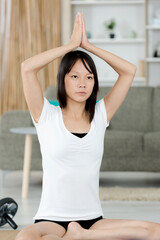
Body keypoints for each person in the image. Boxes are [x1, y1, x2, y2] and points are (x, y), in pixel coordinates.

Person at [16, 12, 160, 240]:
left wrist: (89, 47)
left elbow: (129, 71)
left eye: (89, 77)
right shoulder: (45, 115)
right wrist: (70, 46)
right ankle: (76, 236)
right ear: (62, 79)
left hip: (92, 221)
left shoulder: (101, 114)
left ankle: (81, 235)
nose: (83, 83)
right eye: (74, 76)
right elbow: (27, 68)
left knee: (156, 231)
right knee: (26, 236)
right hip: (51, 219)